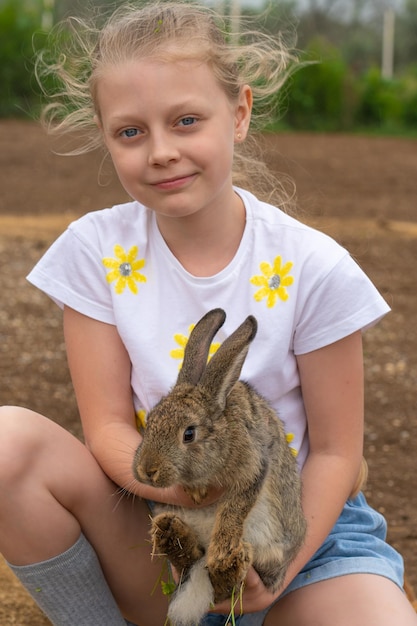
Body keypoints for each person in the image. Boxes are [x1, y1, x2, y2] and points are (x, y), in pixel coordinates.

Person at [0, 2, 415, 625]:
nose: (161, 151)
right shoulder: (96, 252)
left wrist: (280, 565)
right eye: (130, 132)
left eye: (186, 120)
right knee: (7, 446)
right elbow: (109, 428)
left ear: (240, 113)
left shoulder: (312, 266)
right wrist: (184, 494)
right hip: (162, 518)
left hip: (293, 526)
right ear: (107, 136)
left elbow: (334, 452)